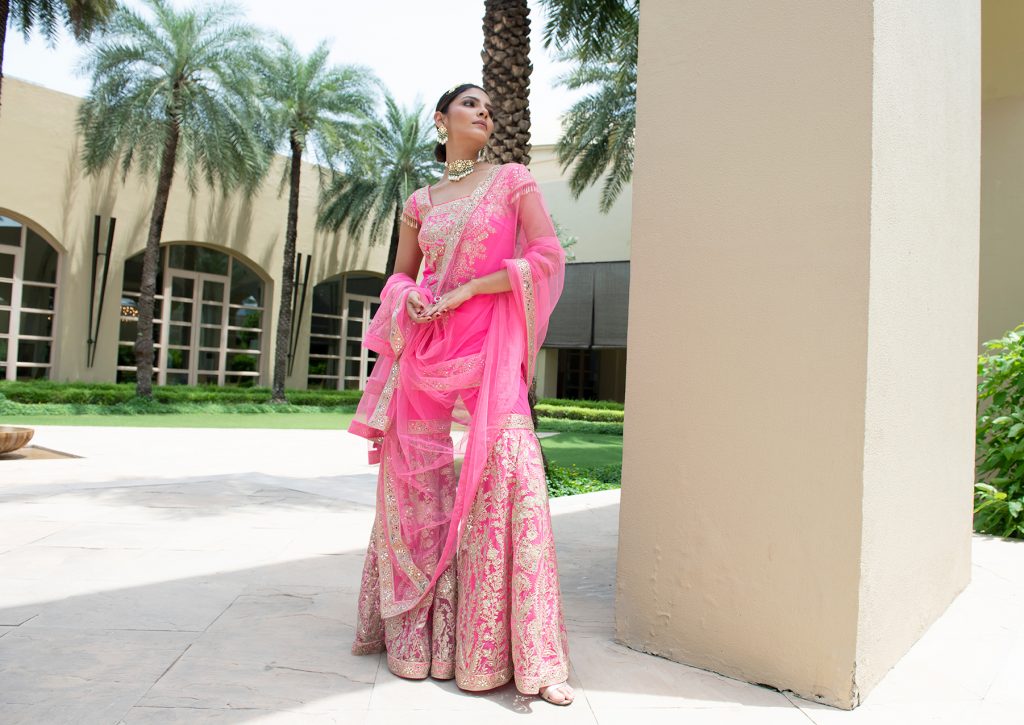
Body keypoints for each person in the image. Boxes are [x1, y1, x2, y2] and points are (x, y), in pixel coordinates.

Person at [348, 83, 574, 706]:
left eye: (488, 108)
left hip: (490, 342)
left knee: (510, 474)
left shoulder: (512, 181)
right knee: (415, 487)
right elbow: (399, 274)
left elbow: (547, 255)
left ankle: (524, 653)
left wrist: (472, 289)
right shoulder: (419, 201)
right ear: (441, 119)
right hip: (427, 348)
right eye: (471, 104)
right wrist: (409, 297)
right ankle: (417, 642)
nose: (484, 113)